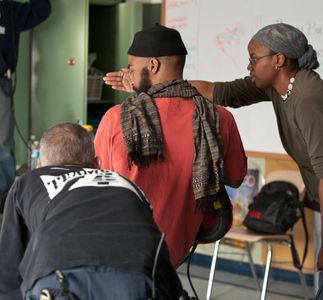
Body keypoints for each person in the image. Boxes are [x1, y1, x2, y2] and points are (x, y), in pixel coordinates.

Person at [188, 23, 323, 299]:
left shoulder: (309, 98)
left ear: (279, 60)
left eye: (254, 59)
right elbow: (222, 93)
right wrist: (164, 86)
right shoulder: (278, 88)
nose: (249, 66)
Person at [95, 24, 247, 268]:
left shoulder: (118, 118)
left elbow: (98, 185)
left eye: (132, 68)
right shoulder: (218, 118)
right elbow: (235, 177)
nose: (129, 75)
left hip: (118, 252)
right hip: (174, 256)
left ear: (152, 66)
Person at [0, 123, 183, 300]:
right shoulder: (125, 183)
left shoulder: (29, 181)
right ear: (97, 163)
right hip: (142, 273)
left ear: (40, 167)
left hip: (57, 273)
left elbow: (9, 266)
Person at [0, 0, 51, 210]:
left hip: (2, 80)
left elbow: (42, 10)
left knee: (3, 141)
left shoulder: (10, 10)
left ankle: (4, 196)